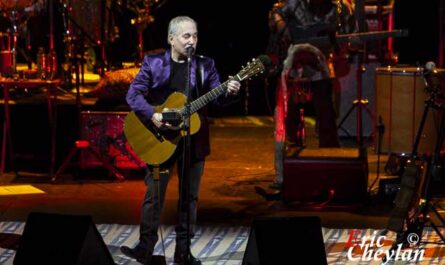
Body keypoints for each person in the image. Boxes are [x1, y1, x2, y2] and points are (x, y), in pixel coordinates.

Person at [120, 16, 241, 265]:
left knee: (190, 198)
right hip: (159, 138)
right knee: (154, 196)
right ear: (171, 38)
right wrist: (153, 116)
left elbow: (217, 98)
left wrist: (228, 92)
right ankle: (145, 247)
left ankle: (183, 252)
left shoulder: (205, 66)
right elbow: (133, 94)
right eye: (186, 36)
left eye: (195, 36)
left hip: (193, 142)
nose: (192, 41)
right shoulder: (154, 63)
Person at [266, 0, 357, 190]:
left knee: (326, 114)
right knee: (289, 115)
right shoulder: (295, 4)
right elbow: (275, 12)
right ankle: (289, 166)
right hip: (293, 64)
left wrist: (340, 39)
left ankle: (331, 165)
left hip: (320, 64)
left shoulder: (341, 8)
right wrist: (282, 25)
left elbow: (349, 40)